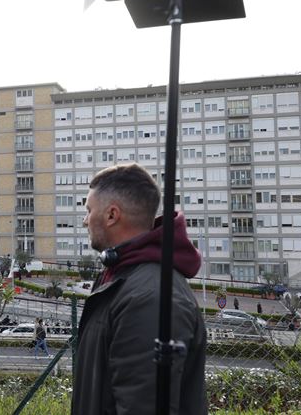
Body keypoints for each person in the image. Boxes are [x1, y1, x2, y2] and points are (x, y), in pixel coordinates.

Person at [72, 163, 207, 415]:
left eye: (89, 210)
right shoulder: (120, 277)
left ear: (112, 215)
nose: (84, 220)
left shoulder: (149, 297)